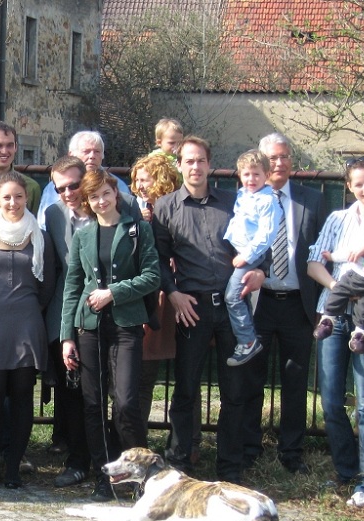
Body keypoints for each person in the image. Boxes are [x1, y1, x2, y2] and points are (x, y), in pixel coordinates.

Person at [152, 136, 263, 483]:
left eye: (201, 160)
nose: (195, 167)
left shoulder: (234, 202)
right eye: (189, 161)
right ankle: (181, 464)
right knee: (185, 389)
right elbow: (155, 259)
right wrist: (172, 294)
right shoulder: (165, 207)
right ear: (180, 165)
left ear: (210, 164)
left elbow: (260, 240)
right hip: (192, 307)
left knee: (235, 390)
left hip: (232, 308)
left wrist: (261, 270)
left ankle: (230, 468)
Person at [60, 169, 159, 501]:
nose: (100, 201)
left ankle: (140, 472)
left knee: (126, 403)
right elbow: (72, 287)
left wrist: (115, 292)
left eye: (105, 193)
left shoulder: (137, 229)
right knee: (92, 404)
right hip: (88, 327)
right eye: (93, 196)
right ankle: (106, 476)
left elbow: (151, 276)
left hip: (126, 325)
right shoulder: (83, 235)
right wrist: (67, 336)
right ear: (87, 202)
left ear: (116, 194)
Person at [239, 133, 325, 475]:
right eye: (272, 158)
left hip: (297, 305)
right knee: (250, 378)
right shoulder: (244, 200)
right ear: (260, 161)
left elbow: (322, 255)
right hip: (258, 304)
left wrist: (323, 305)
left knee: (295, 380)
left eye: (285, 156)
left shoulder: (312, 201)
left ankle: (292, 452)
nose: (279, 163)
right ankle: (248, 447)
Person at [307, 157, 364, 508]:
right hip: (334, 312)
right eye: (358, 184)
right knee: (330, 400)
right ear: (349, 186)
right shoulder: (337, 219)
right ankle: (345, 470)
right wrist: (340, 285)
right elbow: (314, 263)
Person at [0, 172, 56, 489]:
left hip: (26, 322)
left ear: (26, 198)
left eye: (18, 196)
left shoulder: (40, 236)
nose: (13, 202)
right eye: (6, 197)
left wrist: (32, 308)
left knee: (21, 396)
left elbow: (49, 283)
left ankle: (15, 467)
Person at [43, 156, 93, 488]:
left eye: (74, 185)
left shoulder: (112, 206)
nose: (68, 193)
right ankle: (77, 460)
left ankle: (108, 458)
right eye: (60, 188)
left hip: (110, 310)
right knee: (72, 392)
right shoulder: (53, 214)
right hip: (69, 312)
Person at [129, 154, 181, 434]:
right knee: (142, 376)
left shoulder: (174, 207)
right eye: (136, 180)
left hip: (173, 294)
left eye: (145, 179)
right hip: (147, 296)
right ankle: (136, 440)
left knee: (186, 377)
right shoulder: (136, 208)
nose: (139, 185)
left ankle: (189, 444)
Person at [223, 150, 282, 366]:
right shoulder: (243, 195)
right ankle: (246, 336)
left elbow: (266, 235)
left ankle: (247, 341)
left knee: (232, 295)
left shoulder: (268, 201)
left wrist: (246, 256)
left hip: (250, 254)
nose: (251, 179)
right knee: (241, 295)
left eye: (256, 174)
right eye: (246, 174)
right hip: (238, 251)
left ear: (267, 174)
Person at [313, 209, 364, 353]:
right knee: (337, 293)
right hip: (353, 278)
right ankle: (328, 319)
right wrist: (332, 257)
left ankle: (360, 335)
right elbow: (347, 253)